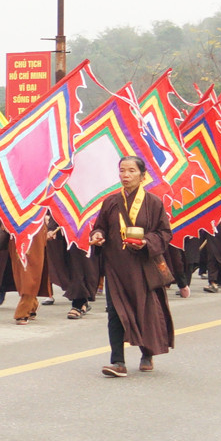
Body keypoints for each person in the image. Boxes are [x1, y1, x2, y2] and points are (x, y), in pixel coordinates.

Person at [91, 156, 174, 377]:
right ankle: (117, 361)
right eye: (122, 171)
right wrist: (97, 235)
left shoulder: (154, 203)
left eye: (131, 171)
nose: (125, 176)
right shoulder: (110, 202)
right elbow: (99, 227)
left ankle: (147, 353)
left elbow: (165, 233)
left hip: (143, 266)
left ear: (142, 175)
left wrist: (147, 242)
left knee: (144, 310)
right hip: (116, 267)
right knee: (115, 312)